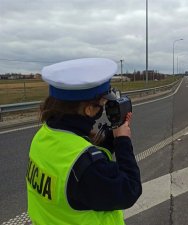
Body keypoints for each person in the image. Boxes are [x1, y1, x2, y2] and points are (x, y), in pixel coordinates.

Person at [26, 58, 142, 225]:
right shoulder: (86, 166)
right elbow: (130, 189)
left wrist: (113, 134)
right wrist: (123, 140)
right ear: (89, 109)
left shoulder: (43, 136)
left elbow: (80, 159)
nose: (103, 108)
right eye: (102, 103)